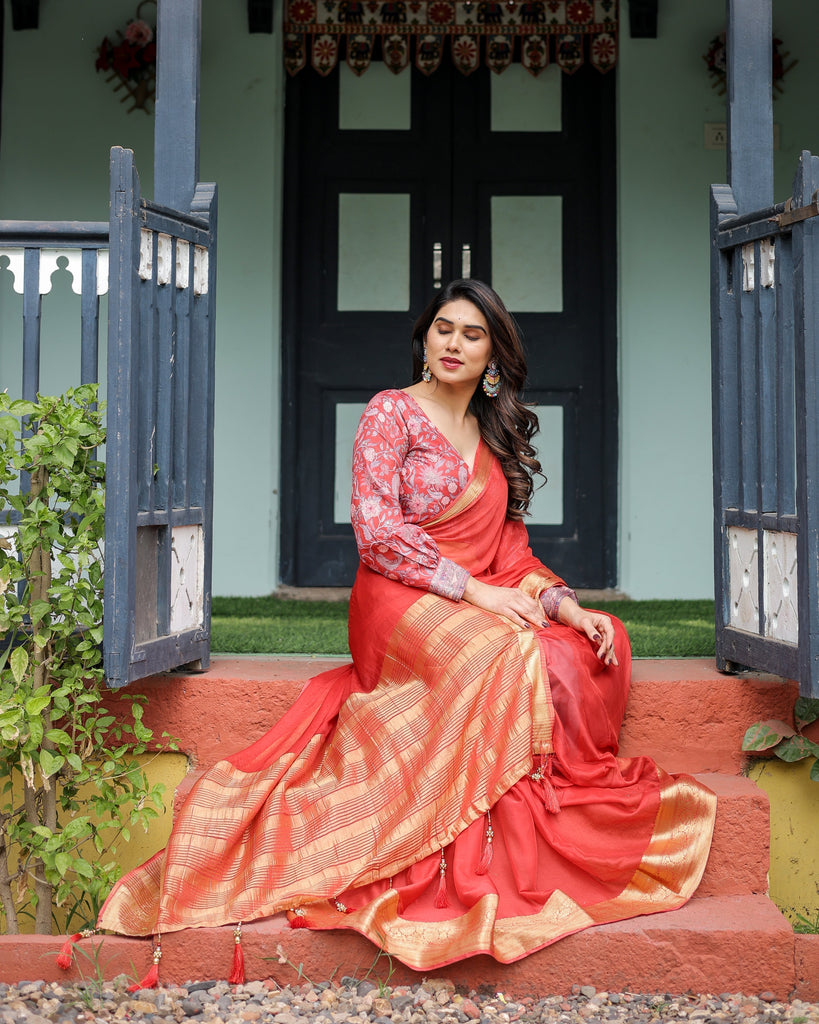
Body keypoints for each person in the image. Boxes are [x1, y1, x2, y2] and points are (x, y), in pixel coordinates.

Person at [98, 280, 716, 974]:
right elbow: (376, 532)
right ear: (424, 338)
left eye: (471, 334)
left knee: (583, 642)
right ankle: (461, 840)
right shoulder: (390, 413)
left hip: (480, 594)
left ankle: (534, 821)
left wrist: (563, 604)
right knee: (504, 653)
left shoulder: (492, 434)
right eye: (443, 329)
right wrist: (475, 593)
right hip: (398, 597)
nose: (453, 343)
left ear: (493, 356)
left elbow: (513, 555)